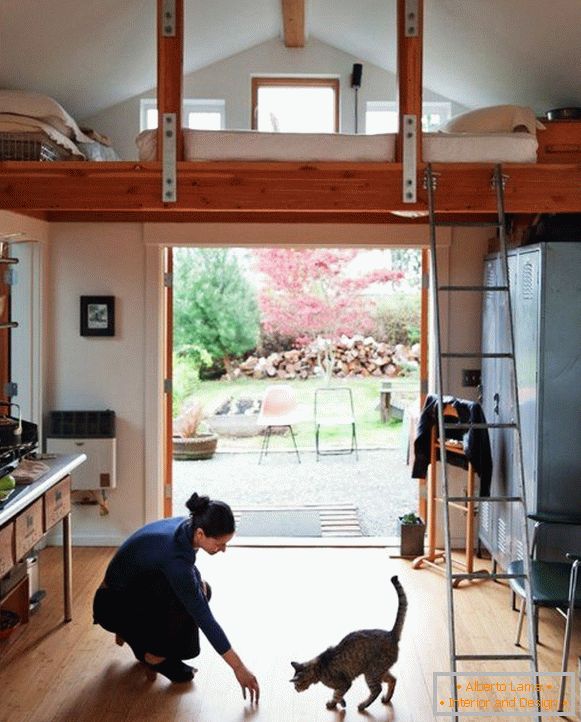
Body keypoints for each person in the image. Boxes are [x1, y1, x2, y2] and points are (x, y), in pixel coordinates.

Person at [93, 492, 260, 702]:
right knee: (191, 600)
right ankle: (151, 654)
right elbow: (205, 620)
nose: (223, 549)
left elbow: (186, 569)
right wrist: (239, 668)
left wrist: (196, 583)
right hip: (111, 606)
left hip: (128, 593)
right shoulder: (174, 557)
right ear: (200, 534)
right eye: (219, 544)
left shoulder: (186, 526)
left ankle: (134, 634)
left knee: (202, 589)